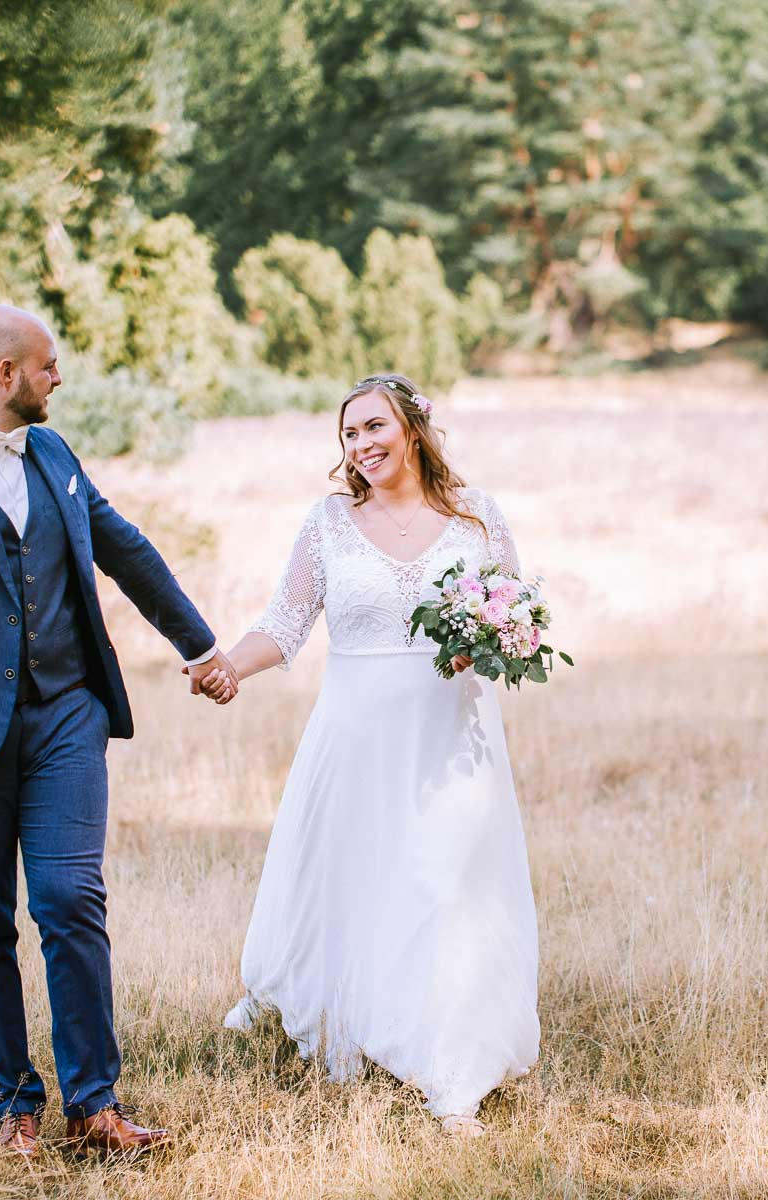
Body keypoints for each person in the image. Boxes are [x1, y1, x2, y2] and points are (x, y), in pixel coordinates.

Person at [0, 304, 239, 1159]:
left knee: (70, 898)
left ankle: (93, 1105)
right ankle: (13, 1101)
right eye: (48, 365)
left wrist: (204, 646)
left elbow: (124, 550)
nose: (58, 377)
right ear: (5, 374)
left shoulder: (54, 455)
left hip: (68, 712)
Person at [208, 372, 539, 1137]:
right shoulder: (328, 522)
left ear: (414, 430)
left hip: (449, 738)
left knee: (445, 883)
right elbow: (286, 623)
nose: (361, 446)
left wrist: (483, 649)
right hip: (354, 736)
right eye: (349, 435)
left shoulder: (476, 516)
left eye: (373, 427)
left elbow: (513, 613)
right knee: (353, 877)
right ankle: (336, 1006)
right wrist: (230, 664)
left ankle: (451, 1062)